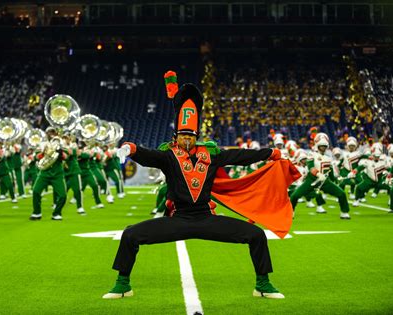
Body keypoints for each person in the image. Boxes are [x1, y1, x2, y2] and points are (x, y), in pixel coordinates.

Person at [103, 81, 287, 300]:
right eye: (183, 136)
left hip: (206, 219)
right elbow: (148, 155)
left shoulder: (211, 156)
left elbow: (239, 156)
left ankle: (263, 285)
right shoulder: (169, 156)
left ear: (196, 136)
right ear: (177, 137)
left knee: (256, 235)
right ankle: (123, 284)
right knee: (131, 234)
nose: (187, 140)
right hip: (178, 219)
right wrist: (131, 149)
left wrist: (269, 153)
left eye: (190, 136)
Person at [30, 127, 67, 220]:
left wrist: (60, 152)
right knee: (36, 191)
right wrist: (43, 153)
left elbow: (66, 156)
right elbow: (36, 157)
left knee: (63, 195)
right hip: (44, 172)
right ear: (46, 133)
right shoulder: (42, 144)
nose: (51, 134)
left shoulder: (61, 143)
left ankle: (57, 213)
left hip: (57, 174)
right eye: (49, 132)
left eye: (53, 132)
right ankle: (37, 212)